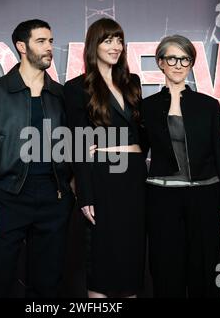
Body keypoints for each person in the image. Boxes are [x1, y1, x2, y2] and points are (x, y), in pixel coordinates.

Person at [0, 19, 74, 298]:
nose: (50, 47)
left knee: (48, 285)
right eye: (41, 41)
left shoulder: (61, 95)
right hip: (8, 196)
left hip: (55, 198)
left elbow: (73, 148)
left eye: (51, 41)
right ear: (21, 46)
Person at [141, 35, 220, 297]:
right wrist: (102, 151)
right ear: (161, 63)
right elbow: (136, 151)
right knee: (165, 269)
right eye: (171, 58)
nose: (178, 64)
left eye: (185, 59)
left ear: (191, 64)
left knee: (206, 270)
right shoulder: (146, 108)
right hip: (162, 199)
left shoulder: (207, 105)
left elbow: (219, 152)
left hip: (204, 196)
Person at [63, 18, 146, 298]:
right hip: (102, 178)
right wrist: (85, 194)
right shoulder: (76, 88)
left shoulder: (132, 83)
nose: (116, 46)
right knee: (101, 259)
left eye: (119, 40)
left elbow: (142, 133)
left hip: (134, 177)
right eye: (108, 40)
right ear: (93, 45)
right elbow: (78, 143)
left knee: (131, 258)